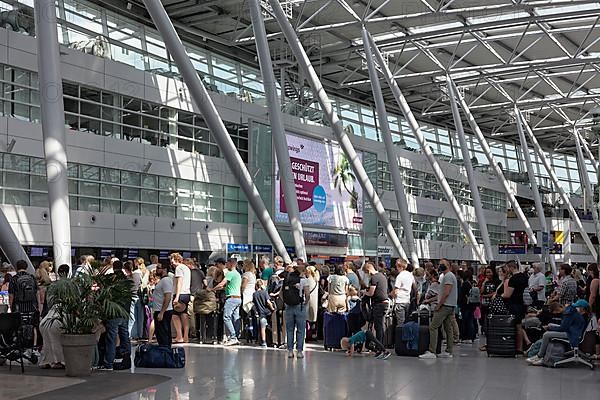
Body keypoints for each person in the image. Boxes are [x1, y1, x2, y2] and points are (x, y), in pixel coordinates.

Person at [526, 299, 590, 366]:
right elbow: (566, 326)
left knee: (546, 334)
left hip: (571, 335)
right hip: (573, 332)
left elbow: (563, 328)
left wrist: (550, 328)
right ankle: (542, 354)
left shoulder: (569, 313)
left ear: (582, 308)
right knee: (550, 326)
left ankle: (539, 356)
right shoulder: (578, 313)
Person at [419, 259, 457, 359]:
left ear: (448, 265)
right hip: (450, 305)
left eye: (442, 264)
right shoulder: (448, 276)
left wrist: (439, 304)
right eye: (440, 264)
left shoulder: (448, 276)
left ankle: (432, 351)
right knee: (448, 328)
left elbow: (446, 292)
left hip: (445, 305)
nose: (440, 266)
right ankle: (449, 350)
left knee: (433, 327)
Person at [99, 260, 131, 371]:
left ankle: (109, 363)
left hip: (114, 313)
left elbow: (106, 295)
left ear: (113, 267)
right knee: (125, 336)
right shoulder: (126, 280)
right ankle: (127, 360)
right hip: (124, 312)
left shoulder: (112, 280)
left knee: (111, 338)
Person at [38, 264, 70, 369]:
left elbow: (49, 301)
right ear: (68, 272)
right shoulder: (72, 285)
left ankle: (49, 360)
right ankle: (60, 360)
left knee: (48, 340)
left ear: (58, 273)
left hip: (51, 314)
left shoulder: (52, 286)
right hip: (66, 313)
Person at [210, 258, 242, 346]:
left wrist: (212, 289)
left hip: (231, 298)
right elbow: (229, 286)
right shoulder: (238, 274)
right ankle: (236, 336)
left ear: (231, 264)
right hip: (238, 298)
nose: (226, 265)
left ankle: (233, 337)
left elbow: (221, 284)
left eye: (227, 263)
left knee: (226, 317)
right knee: (236, 318)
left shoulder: (230, 274)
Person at [282, 263, 310, 358]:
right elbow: (307, 294)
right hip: (300, 306)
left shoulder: (287, 280)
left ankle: (290, 351)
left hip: (289, 306)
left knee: (290, 329)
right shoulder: (304, 280)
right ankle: (299, 351)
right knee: (301, 330)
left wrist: (286, 302)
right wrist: (305, 303)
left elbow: (281, 294)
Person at [502, 261, 529, 353]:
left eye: (507, 268)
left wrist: (499, 295)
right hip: (522, 304)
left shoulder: (513, 279)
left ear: (511, 267)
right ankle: (522, 346)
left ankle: (518, 348)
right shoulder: (525, 277)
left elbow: (508, 295)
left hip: (514, 305)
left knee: (516, 326)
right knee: (520, 325)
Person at [361, 262, 388, 344]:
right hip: (384, 303)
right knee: (380, 325)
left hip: (378, 304)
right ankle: (380, 344)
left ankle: (380, 346)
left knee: (378, 326)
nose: (367, 275)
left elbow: (371, 293)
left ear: (368, 270)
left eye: (366, 272)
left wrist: (363, 292)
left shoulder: (374, 278)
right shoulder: (382, 276)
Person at [171, 253, 191, 343]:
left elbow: (180, 282)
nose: (171, 262)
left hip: (180, 294)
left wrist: (177, 297)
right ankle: (186, 336)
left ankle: (179, 336)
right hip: (187, 293)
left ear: (175, 259)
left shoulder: (178, 268)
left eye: (171, 259)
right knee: (184, 314)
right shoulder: (186, 268)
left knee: (174, 315)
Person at [152, 263, 174, 347]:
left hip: (164, 311)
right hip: (160, 310)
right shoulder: (162, 280)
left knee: (163, 333)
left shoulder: (166, 280)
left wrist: (162, 312)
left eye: (159, 268)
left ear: (164, 269)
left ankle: (165, 350)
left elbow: (167, 297)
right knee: (160, 333)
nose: (156, 269)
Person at [391, 259, 416, 327]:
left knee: (400, 323)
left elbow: (396, 291)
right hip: (407, 301)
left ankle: (400, 337)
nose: (396, 267)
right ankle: (406, 336)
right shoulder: (410, 275)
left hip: (399, 301)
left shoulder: (399, 276)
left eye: (396, 266)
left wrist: (390, 295)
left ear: (399, 266)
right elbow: (415, 287)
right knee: (406, 321)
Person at [252, 279, 274, 347]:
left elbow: (254, 303)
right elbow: (268, 302)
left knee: (262, 328)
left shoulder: (254, 294)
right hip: (268, 312)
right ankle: (271, 341)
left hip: (261, 313)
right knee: (270, 327)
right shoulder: (264, 292)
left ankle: (264, 342)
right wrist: (272, 308)